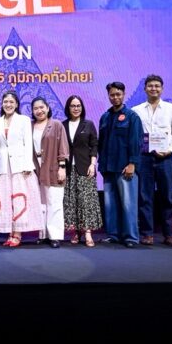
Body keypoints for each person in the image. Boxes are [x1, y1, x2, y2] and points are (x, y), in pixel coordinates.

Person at [132, 75, 172, 246]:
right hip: (144, 158)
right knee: (144, 197)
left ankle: (169, 234)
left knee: (167, 197)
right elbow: (134, 135)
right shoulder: (136, 110)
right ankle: (147, 234)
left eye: (157, 86)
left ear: (162, 88)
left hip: (165, 158)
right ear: (145, 89)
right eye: (150, 86)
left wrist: (170, 149)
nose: (153, 88)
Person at [0, 91, 42, 246]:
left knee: (19, 199)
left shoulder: (24, 120)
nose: (8, 104)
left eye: (11, 102)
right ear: (2, 104)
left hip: (20, 166)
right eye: (5, 102)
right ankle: (10, 233)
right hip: (3, 166)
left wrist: (27, 164)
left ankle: (18, 234)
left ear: (17, 104)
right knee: (5, 200)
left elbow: (28, 143)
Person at [98, 82, 143, 248]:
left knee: (128, 204)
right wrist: (101, 165)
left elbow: (136, 142)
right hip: (108, 168)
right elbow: (101, 143)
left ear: (123, 95)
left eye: (118, 94)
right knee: (110, 204)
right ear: (108, 96)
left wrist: (132, 163)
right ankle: (113, 235)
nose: (115, 97)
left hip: (125, 167)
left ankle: (131, 237)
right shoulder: (105, 117)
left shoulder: (132, 116)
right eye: (112, 95)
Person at [61, 95, 101, 247]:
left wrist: (93, 164)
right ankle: (75, 232)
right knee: (71, 201)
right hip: (68, 169)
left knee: (86, 201)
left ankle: (88, 233)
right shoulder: (63, 125)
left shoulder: (88, 124)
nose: (76, 108)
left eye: (78, 106)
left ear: (82, 107)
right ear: (68, 108)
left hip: (85, 167)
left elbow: (94, 145)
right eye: (73, 106)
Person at [31, 97, 69, 248]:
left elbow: (63, 147)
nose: (39, 111)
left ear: (47, 108)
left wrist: (62, 167)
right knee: (40, 204)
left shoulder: (57, 125)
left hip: (53, 167)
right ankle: (43, 234)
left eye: (42, 107)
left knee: (54, 203)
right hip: (36, 169)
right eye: (36, 108)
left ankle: (55, 236)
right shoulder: (30, 126)